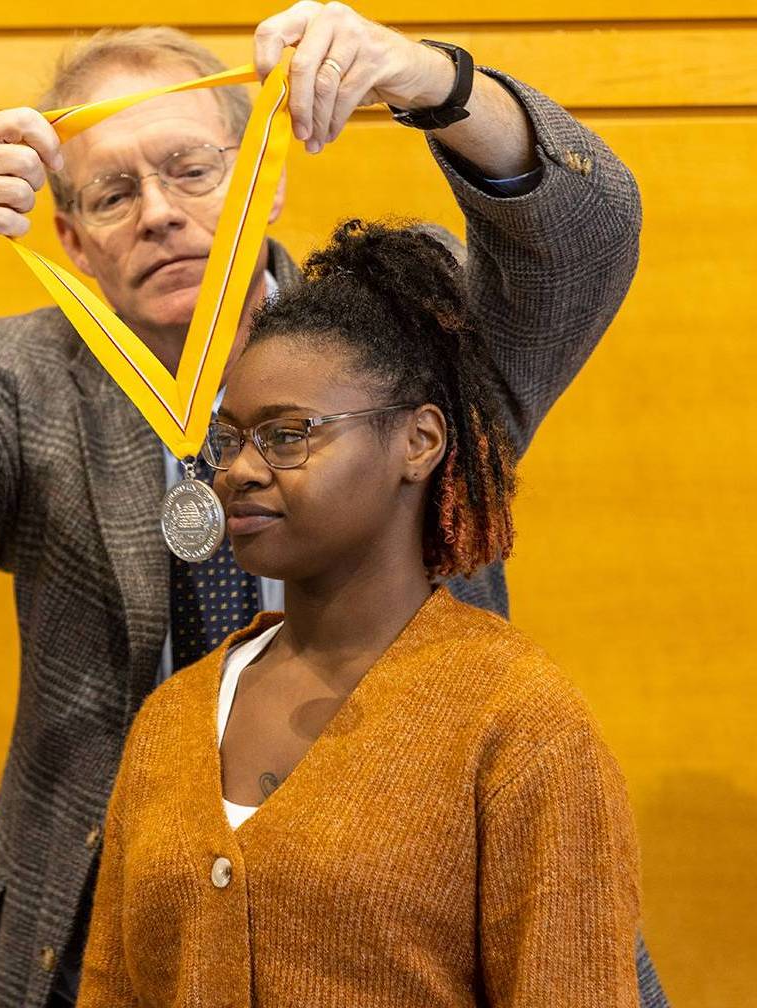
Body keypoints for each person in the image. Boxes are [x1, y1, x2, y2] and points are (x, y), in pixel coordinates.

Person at [0, 5, 665, 1006]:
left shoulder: (404, 336)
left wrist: (430, 79)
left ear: (264, 175)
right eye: (112, 192)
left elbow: (586, 237)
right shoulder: (21, 382)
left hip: (404, 904)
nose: (160, 213)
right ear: (71, 239)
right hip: (106, 914)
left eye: (190, 169)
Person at [78, 218, 642, 1006]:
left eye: (286, 435)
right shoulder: (173, 718)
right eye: (228, 439)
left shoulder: (517, 720)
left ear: (418, 441)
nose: (238, 471)